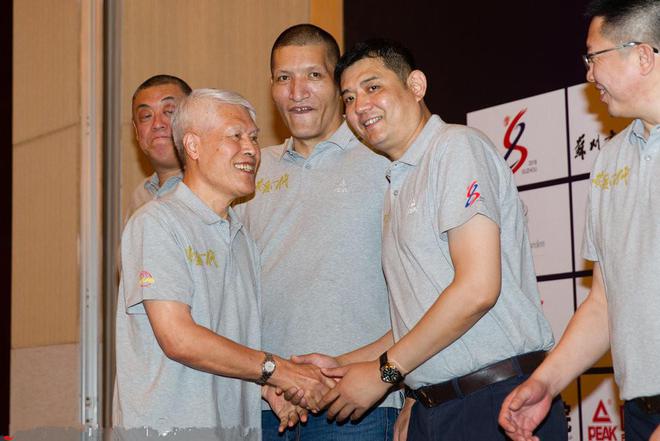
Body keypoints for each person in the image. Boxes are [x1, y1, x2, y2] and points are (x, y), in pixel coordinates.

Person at [312, 39, 567, 441]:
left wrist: (385, 372)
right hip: (439, 407)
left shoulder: (455, 147)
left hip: (497, 402)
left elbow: (477, 290)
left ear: (416, 86)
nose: (359, 106)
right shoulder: (398, 181)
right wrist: (338, 367)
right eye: (348, 97)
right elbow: (418, 320)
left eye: (373, 87)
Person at [113, 89, 333, 440]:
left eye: (254, 138)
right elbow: (178, 338)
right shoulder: (157, 222)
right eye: (235, 136)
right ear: (193, 146)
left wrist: (265, 388)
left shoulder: (243, 239)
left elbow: (227, 345)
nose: (251, 149)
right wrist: (277, 371)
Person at [498, 1, 660, 440]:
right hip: (640, 412)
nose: (589, 74)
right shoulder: (610, 159)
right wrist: (544, 384)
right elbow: (605, 304)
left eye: (594, 57)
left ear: (642, 55)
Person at [234, 24, 401, 440]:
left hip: (358, 407)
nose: (297, 92)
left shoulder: (384, 157)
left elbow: (422, 291)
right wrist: (266, 380)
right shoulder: (250, 170)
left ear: (337, 83)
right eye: (283, 78)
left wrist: (406, 383)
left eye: (313, 75)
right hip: (266, 406)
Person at [125, 74, 191, 223]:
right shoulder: (140, 197)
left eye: (169, 111)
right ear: (136, 131)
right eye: (146, 116)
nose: (157, 124)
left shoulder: (220, 186)